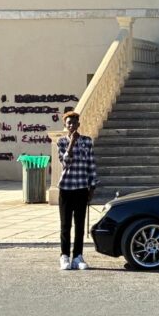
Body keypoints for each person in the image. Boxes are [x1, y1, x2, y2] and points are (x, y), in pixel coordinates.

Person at [56, 111, 98, 270]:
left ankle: (78, 256)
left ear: (79, 124)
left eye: (74, 123)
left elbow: (91, 164)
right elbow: (65, 162)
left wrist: (92, 186)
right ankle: (64, 256)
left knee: (80, 225)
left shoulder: (87, 142)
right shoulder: (61, 142)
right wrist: (71, 143)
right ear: (65, 126)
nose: (72, 125)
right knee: (65, 225)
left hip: (81, 187)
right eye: (69, 123)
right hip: (66, 188)